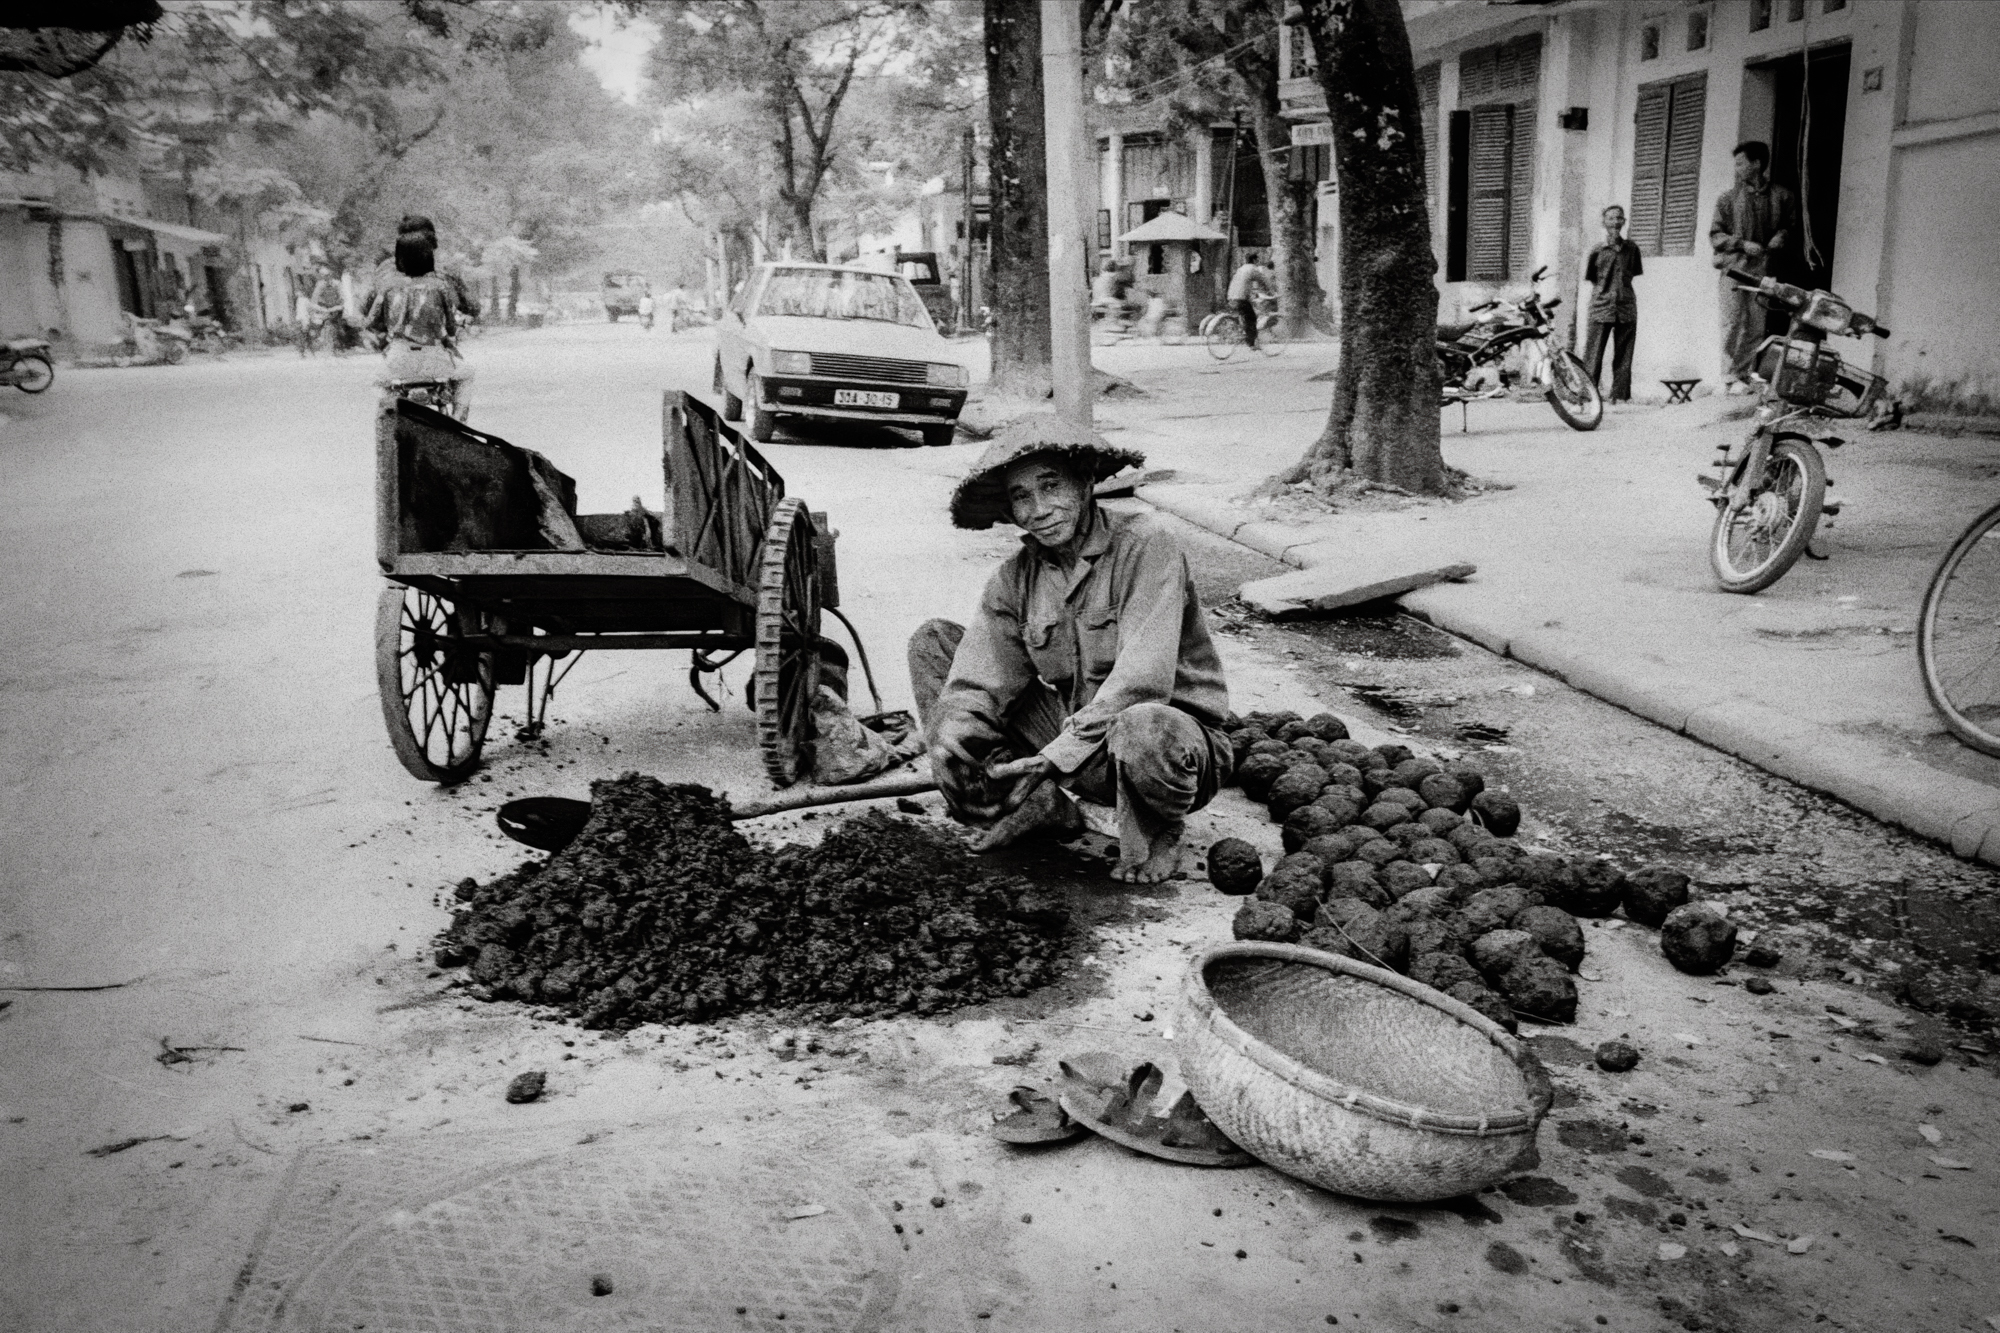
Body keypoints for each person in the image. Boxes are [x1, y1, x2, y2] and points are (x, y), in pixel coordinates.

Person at [908, 416, 1232, 884]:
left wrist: (1054, 757)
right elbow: (979, 676)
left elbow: (1143, 683)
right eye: (1021, 496)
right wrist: (952, 728)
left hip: (1168, 752)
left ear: (1084, 484)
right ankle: (1032, 804)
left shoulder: (1147, 546)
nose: (1039, 509)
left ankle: (1160, 831)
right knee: (933, 643)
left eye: (1050, 485)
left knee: (1141, 722)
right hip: (1072, 747)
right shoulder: (1013, 578)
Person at [1710, 141, 1799, 393]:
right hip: (1734, 269)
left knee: (1757, 324)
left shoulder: (1783, 196)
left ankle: (1744, 373)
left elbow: (1791, 228)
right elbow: (1715, 236)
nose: (1737, 168)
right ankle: (1727, 377)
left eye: (1741, 163)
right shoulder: (1727, 199)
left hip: (1763, 271)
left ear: (1757, 164)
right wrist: (1740, 243)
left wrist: (1782, 235)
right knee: (1732, 322)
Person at [365, 228, 473, 417]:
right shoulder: (440, 286)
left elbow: (372, 323)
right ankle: (457, 421)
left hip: (398, 360)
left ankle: (387, 419)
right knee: (467, 374)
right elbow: (451, 327)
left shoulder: (389, 286)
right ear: (429, 258)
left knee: (378, 383)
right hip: (435, 359)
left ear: (399, 259)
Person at [1582, 205, 1642, 404]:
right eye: (1610, 219)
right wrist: (1607, 293)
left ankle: (1620, 397)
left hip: (1626, 306)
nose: (1615, 223)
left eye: (1619, 218)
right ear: (1604, 223)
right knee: (1593, 354)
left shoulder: (1632, 249)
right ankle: (1589, 396)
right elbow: (1592, 277)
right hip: (1601, 306)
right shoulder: (1597, 251)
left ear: (1624, 222)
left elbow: (1633, 272)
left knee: (1624, 353)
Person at [1226, 251, 1273, 350]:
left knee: (1243, 315)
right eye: (1258, 259)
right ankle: (1251, 343)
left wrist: (1253, 294)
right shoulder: (1253, 269)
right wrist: (1272, 293)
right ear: (1255, 260)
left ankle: (1242, 333)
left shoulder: (1241, 269)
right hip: (1241, 299)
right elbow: (1264, 281)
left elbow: (1244, 285)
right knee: (1252, 318)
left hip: (1230, 297)